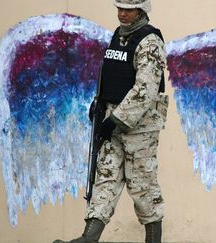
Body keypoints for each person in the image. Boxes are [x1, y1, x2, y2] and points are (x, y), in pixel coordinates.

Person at [54, 0, 168, 242]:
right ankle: (88, 237)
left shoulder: (150, 41)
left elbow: (145, 90)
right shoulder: (119, 36)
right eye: (119, 8)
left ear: (141, 10)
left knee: (143, 186)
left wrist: (116, 119)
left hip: (139, 128)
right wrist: (101, 105)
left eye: (128, 9)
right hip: (111, 121)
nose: (122, 14)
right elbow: (112, 76)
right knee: (105, 177)